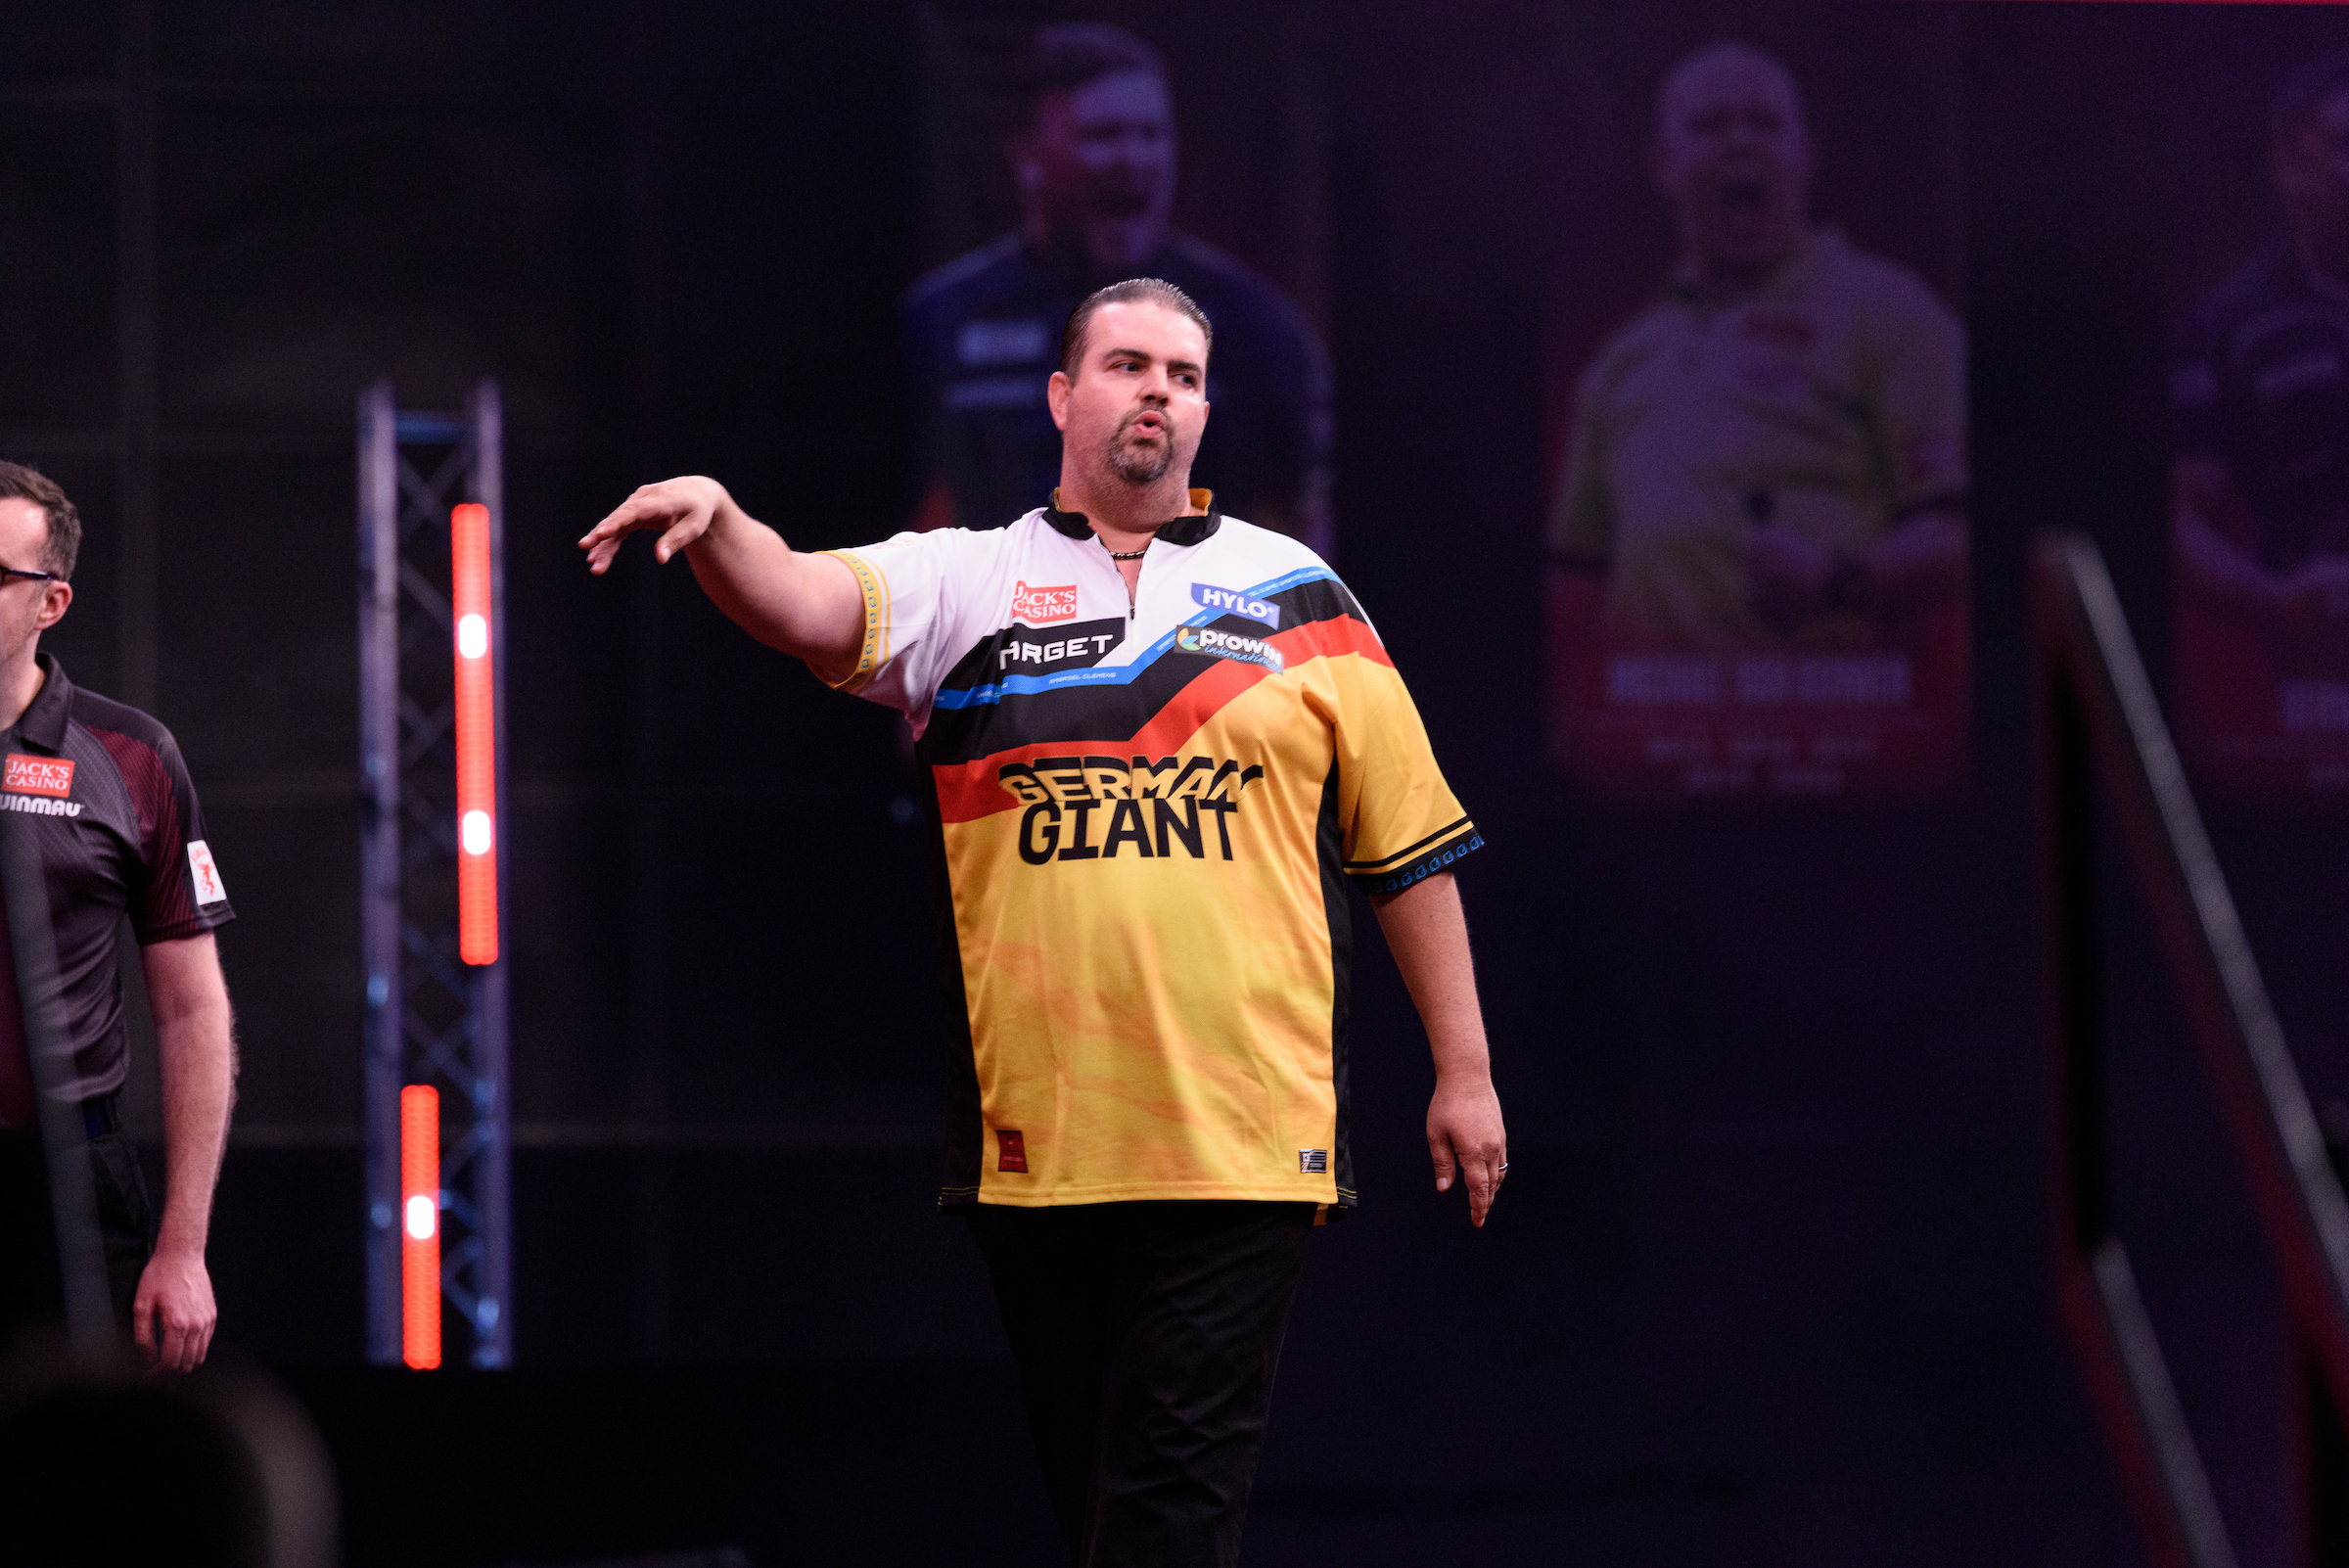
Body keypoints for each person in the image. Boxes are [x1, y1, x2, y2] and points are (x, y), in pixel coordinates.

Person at [581, 278, 1503, 1565]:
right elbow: (800, 601)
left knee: (1164, 1510)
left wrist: (1465, 1069)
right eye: (1129, 365)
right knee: (1105, 1507)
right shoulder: (969, 579)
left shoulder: (1303, 597)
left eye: (1185, 375)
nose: (1159, 392)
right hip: (1044, 1146)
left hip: (1241, 1138)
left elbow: (1408, 847)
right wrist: (723, 523)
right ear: (1064, 396)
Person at [1545, 41, 1967, 653]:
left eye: (1765, 123)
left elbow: (1961, 534)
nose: (1740, 142)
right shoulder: (1620, 362)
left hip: (1826, 707)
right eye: (1710, 125)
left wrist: (1838, 579)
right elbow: (1576, 580)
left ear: (1805, 155)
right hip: (1654, 709)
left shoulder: (1889, 312)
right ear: (1663, 163)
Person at [903, 23, 1333, 556]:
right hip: (1003, 604)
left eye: (1151, 134)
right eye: (1103, 135)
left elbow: (1304, 515)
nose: (1133, 157)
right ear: (1027, 155)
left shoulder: (1255, 324)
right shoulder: (942, 320)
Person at [0, 463, 237, 1372]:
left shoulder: (133, 757)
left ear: (50, 602)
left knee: (71, 1452)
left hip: (70, 1183)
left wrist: (183, 1248)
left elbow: (191, 1009)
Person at [2172, 51, 2349, 666]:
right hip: (2322, 671)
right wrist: (2275, 602)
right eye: (2347, 147)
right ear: (2289, 168)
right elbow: (2181, 519)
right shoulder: (2226, 328)